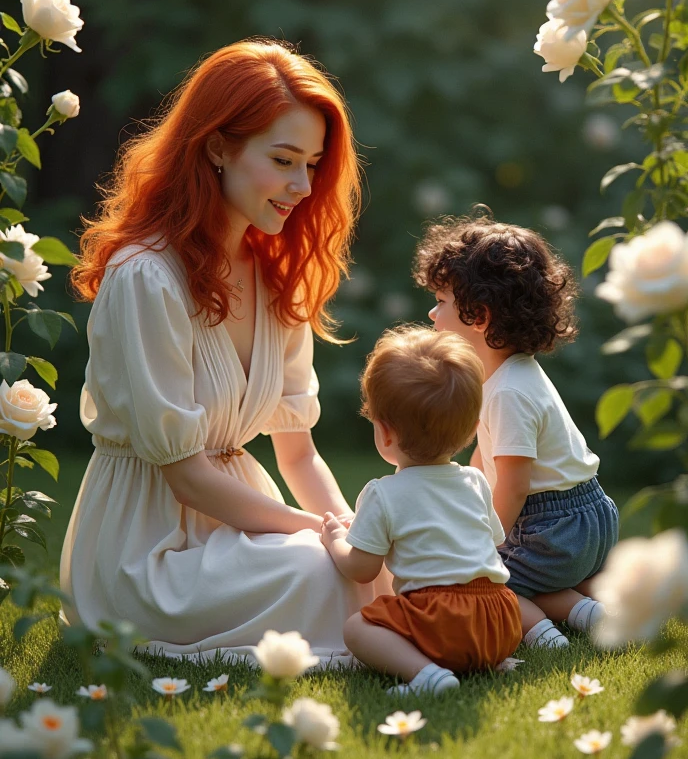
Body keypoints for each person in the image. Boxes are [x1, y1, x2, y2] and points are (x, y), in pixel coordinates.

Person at [60, 39, 392, 666]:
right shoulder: (146, 278)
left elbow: (299, 453)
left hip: (242, 529)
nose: (302, 185)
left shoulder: (273, 275)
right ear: (217, 146)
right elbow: (186, 477)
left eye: (313, 164)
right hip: (146, 551)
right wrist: (325, 541)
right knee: (322, 573)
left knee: (370, 570)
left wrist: (357, 536)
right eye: (283, 159)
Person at [414, 213, 619, 649]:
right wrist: (467, 499)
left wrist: (484, 542)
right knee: (530, 574)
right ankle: (586, 608)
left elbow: (513, 482)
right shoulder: (515, 373)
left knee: (481, 581)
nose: (432, 313)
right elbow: (488, 459)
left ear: (480, 315)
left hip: (552, 528)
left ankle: (540, 631)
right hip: (590, 516)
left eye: (442, 301)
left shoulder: (506, 391)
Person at [320, 326, 521, 696]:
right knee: (460, 620)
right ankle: (483, 658)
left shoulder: (383, 493)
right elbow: (494, 541)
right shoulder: (475, 482)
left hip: (439, 619)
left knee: (357, 629)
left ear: (385, 433)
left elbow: (362, 570)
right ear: (471, 431)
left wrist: (336, 541)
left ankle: (426, 674)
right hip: (501, 619)